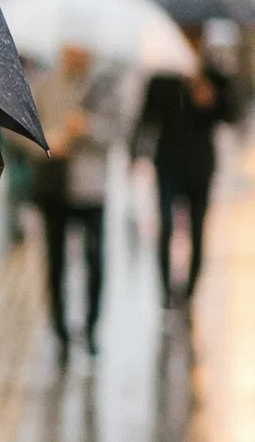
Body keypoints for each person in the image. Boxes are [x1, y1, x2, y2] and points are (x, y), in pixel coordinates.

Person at [29, 43, 124, 361]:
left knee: (95, 260)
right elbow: (21, 130)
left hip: (91, 188)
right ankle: (60, 332)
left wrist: (87, 128)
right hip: (54, 186)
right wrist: (47, 142)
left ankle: (92, 328)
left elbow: (117, 133)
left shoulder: (105, 85)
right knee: (55, 262)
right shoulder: (42, 84)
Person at [133, 28, 236, 307]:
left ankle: (190, 290)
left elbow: (231, 114)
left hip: (200, 166)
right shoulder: (164, 75)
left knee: (197, 229)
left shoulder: (214, 76)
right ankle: (166, 290)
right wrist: (136, 154)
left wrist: (209, 98)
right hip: (168, 162)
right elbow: (147, 117)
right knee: (166, 226)